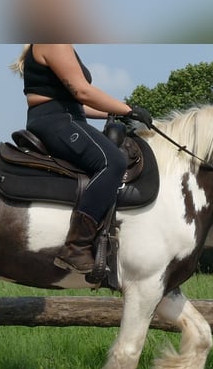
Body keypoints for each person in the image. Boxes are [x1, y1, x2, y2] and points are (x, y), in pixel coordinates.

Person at [10, 44, 153, 274]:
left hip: (66, 116)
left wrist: (114, 112)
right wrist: (128, 109)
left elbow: (79, 103)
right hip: (57, 120)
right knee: (113, 161)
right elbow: (82, 91)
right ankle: (76, 246)